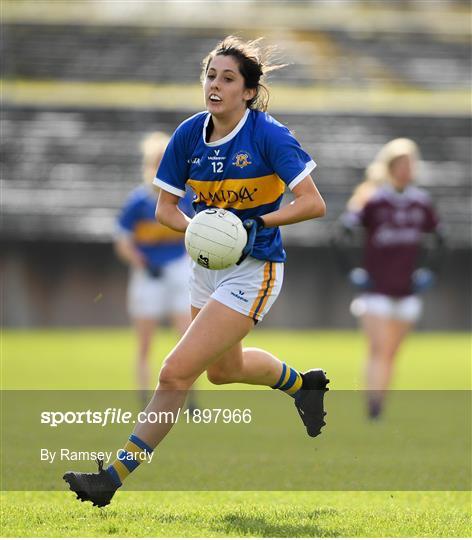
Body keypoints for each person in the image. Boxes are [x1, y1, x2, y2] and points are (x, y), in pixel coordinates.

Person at [64, 35, 328, 507]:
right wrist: (200, 232)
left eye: (228, 78)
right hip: (206, 268)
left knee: (174, 373)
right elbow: (165, 208)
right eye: (210, 75)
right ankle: (302, 384)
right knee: (224, 371)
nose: (215, 85)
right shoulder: (188, 134)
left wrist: (255, 222)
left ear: (248, 91)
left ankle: (111, 478)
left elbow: (313, 203)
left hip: (255, 270)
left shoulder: (268, 135)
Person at [338, 138, 444, 419]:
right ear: (389, 168)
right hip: (376, 290)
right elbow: (342, 235)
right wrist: (353, 271)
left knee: (391, 353)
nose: (406, 170)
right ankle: (373, 407)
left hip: (407, 290)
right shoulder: (374, 200)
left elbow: (440, 240)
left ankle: (378, 403)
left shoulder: (420, 203)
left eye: (410, 165)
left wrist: (429, 272)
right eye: (400, 165)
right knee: (379, 349)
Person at [114, 132, 193, 408]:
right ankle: (143, 397)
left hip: (180, 271)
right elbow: (123, 242)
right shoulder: (138, 202)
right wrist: (142, 263)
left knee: (187, 337)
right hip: (148, 275)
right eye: (156, 161)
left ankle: (190, 397)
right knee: (145, 342)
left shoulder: (184, 196)